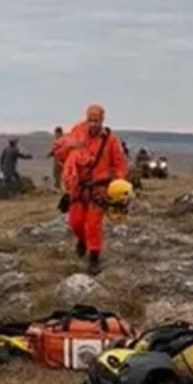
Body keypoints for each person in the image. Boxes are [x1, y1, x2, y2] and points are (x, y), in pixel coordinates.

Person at [54, 104, 129, 276]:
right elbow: (62, 154)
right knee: (76, 222)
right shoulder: (77, 136)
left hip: (99, 189)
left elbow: (120, 164)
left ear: (102, 120)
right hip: (79, 188)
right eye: (90, 120)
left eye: (96, 120)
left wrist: (118, 183)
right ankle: (83, 240)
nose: (93, 124)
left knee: (93, 223)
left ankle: (94, 257)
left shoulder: (111, 141)